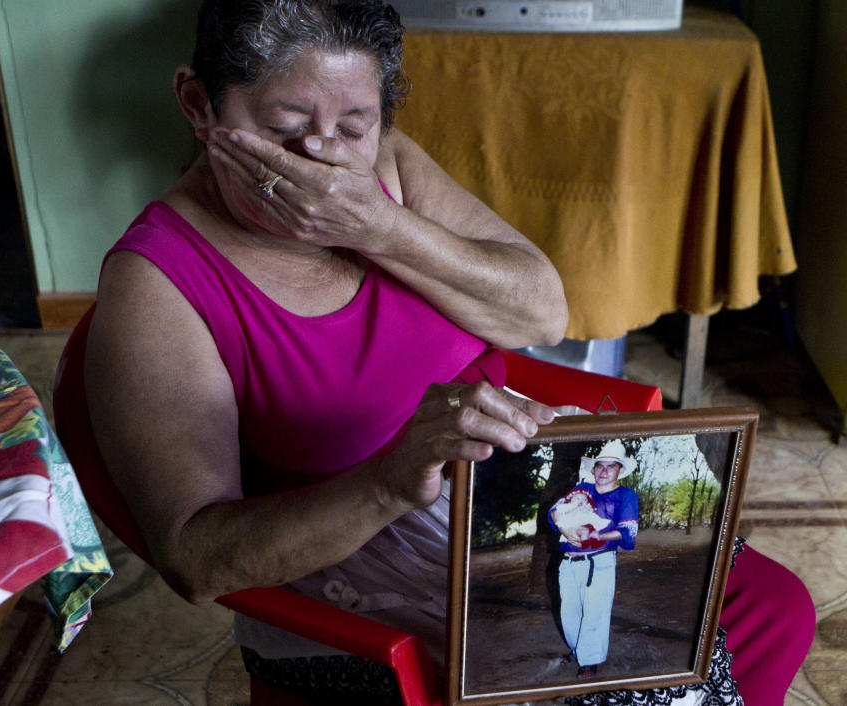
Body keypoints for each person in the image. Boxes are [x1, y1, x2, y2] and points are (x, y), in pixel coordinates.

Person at [83, 1, 813, 703]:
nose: (324, 161)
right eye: (284, 128)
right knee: (619, 675)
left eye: (353, 127)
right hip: (356, 539)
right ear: (198, 104)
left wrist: (378, 227)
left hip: (502, 490)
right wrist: (389, 482)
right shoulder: (157, 284)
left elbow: (540, 308)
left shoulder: (389, 173)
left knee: (771, 611)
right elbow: (195, 558)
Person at [549, 440, 639, 680]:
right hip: (568, 561)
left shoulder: (625, 495)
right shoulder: (581, 488)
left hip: (600, 562)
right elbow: (555, 511)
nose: (604, 471)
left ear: (620, 470)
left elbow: (628, 531)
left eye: (611, 466)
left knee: (595, 612)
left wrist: (599, 534)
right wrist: (564, 529)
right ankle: (578, 648)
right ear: (593, 468)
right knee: (568, 611)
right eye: (600, 466)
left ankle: (589, 660)